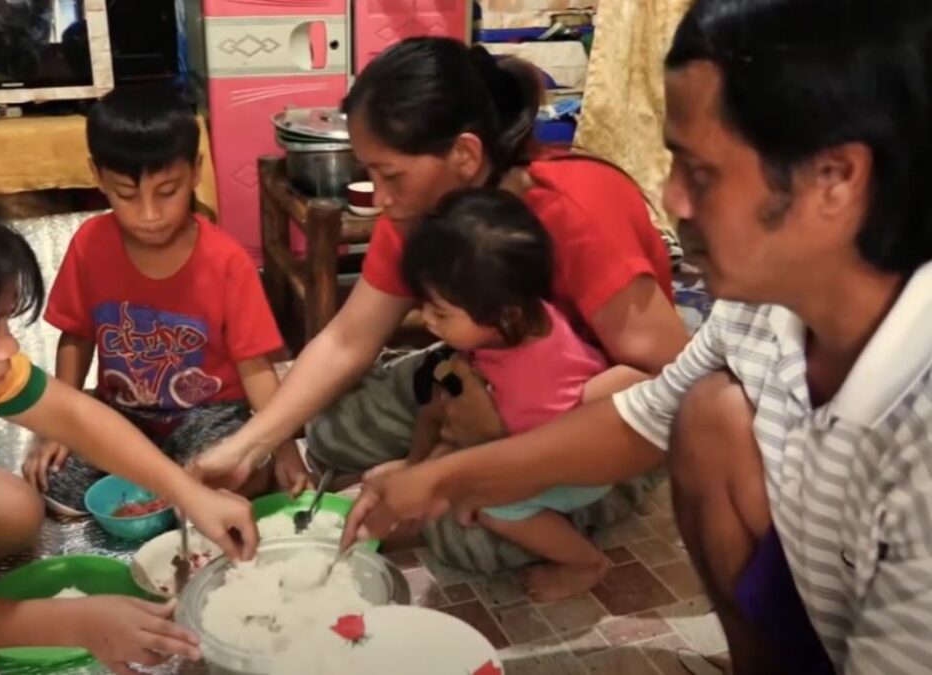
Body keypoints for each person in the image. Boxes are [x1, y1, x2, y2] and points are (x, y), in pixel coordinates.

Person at [342, 1, 932, 673]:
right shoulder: (756, 310)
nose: (671, 198)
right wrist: (439, 477)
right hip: (819, 592)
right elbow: (641, 421)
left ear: (835, 178)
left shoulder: (918, 446)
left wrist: (451, 473)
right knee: (706, 411)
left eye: (702, 173)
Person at [194, 37, 689, 578]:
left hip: (588, 411)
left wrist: (495, 441)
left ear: (465, 155)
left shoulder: (579, 210)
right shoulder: (417, 216)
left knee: (464, 537)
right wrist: (252, 444)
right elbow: (347, 339)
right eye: (369, 173)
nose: (378, 196)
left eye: (391, 174)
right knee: (331, 431)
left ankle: (591, 505)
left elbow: (667, 385)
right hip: (486, 374)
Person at [0, 174, 257, 675]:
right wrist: (76, 622)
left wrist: (189, 494)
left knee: (18, 508)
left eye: (4, 326)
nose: (9, 349)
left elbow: (71, 414)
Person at [21, 85, 311, 511]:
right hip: (121, 414)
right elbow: (76, 337)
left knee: (244, 469)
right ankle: (172, 490)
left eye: (168, 191)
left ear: (195, 172)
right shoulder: (89, 244)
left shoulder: (227, 260)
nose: (149, 214)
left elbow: (255, 367)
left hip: (207, 414)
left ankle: (170, 488)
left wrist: (283, 447)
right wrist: (58, 427)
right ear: (97, 176)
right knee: (51, 481)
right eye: (126, 195)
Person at [382, 187, 623, 601]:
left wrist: (448, 485)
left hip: (562, 463)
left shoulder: (533, 394)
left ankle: (584, 562)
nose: (425, 319)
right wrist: (417, 467)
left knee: (494, 510)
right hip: (510, 430)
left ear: (505, 315)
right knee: (436, 410)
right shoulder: (515, 319)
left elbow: (525, 461)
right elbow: (444, 416)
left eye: (441, 313)